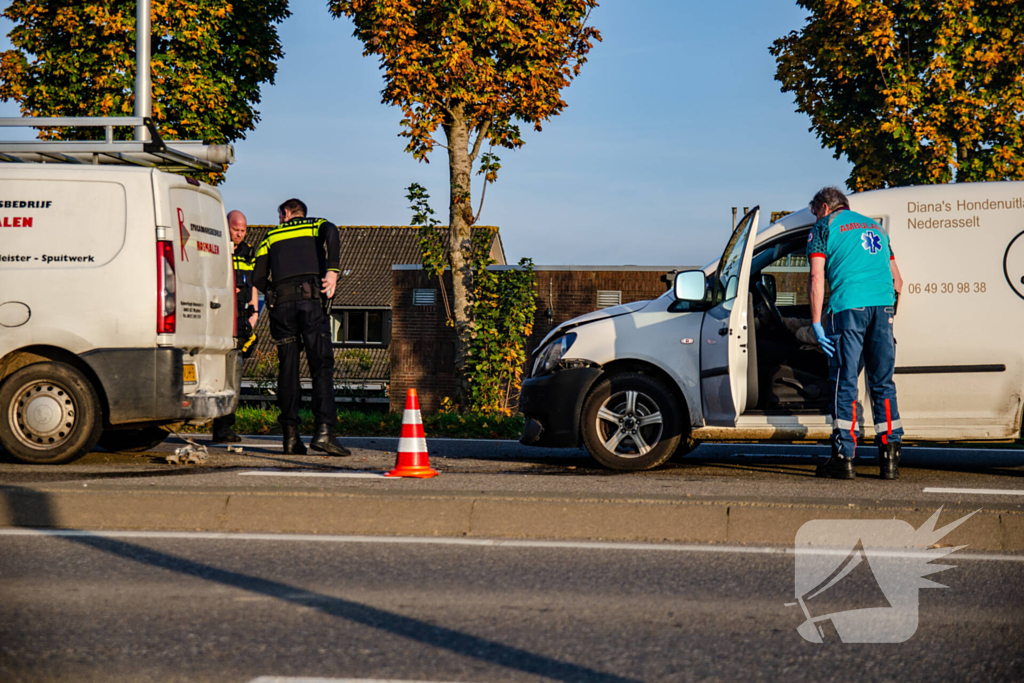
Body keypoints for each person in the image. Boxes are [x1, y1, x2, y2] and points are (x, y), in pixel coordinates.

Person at [807, 186, 904, 480]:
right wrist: (887, 317)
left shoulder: (824, 227)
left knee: (845, 381)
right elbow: (898, 281)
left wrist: (815, 322)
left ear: (824, 207)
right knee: (883, 383)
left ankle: (844, 458)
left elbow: (816, 276)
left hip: (849, 307)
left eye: (815, 212)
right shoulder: (877, 227)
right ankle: (889, 461)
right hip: (883, 307)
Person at [252, 198, 350, 456]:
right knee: (321, 365)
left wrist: (273, 293)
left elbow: (258, 278)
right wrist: (333, 271)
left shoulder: (269, 237)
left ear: (286, 212)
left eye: (280, 215)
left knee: (288, 370)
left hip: (281, 309)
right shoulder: (315, 225)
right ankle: (324, 431)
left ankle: (291, 438)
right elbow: (332, 230)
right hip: (310, 304)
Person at [211, 210, 260, 443]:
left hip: (241, 320)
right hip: (219, 318)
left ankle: (225, 426)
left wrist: (255, 314)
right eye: (235, 229)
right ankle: (217, 424)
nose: (239, 234)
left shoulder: (250, 253)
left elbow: (252, 286)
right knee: (220, 373)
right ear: (226, 226)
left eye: (242, 231)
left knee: (235, 373)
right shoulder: (215, 248)